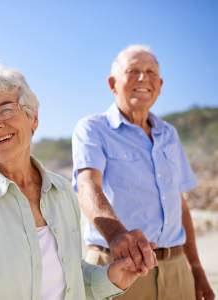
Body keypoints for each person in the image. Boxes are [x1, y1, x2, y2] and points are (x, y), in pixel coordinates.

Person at [0, 64, 157, 300]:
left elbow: (70, 278)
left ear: (33, 117)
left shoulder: (62, 192)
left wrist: (110, 279)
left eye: (6, 110)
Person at [72, 45, 215, 300]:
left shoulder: (169, 134)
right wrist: (117, 235)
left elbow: (179, 205)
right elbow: (87, 186)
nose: (142, 78)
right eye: (133, 70)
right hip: (118, 266)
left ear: (159, 85)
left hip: (176, 269)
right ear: (112, 83)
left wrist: (196, 268)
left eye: (150, 72)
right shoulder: (92, 129)